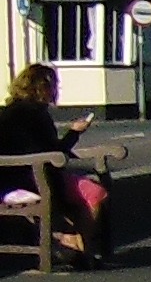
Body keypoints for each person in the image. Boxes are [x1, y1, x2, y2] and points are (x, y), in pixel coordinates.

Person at [0, 62, 112, 263]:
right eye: (54, 85)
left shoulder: (10, 112)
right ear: (42, 88)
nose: (56, 90)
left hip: (15, 176)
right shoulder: (35, 114)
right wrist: (75, 132)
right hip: (34, 177)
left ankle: (74, 248)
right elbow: (54, 153)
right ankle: (78, 249)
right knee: (95, 193)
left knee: (82, 198)